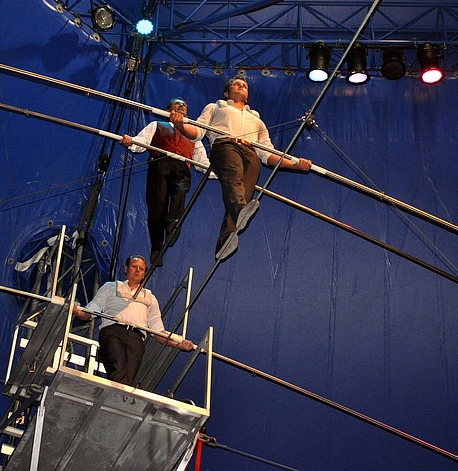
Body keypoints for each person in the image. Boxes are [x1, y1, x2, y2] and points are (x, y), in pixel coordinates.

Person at [170, 76, 312, 258]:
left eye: (244, 85)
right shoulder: (216, 107)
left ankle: (226, 238)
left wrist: (294, 164)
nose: (241, 86)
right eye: (236, 84)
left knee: (244, 192)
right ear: (226, 93)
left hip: (251, 153)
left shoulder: (257, 120)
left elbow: (267, 153)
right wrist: (181, 126)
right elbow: (198, 131)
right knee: (234, 177)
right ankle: (239, 209)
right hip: (225, 145)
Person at [72, 255, 195, 386]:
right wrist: (77, 311)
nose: (137, 270)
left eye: (141, 269)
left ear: (144, 274)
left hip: (136, 339)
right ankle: (121, 396)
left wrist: (178, 344)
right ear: (126, 268)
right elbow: (91, 311)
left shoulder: (150, 298)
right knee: (118, 370)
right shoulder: (110, 287)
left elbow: (158, 331)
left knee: (127, 380)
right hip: (113, 333)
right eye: (134, 267)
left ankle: (119, 396)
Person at [121, 98, 211, 267]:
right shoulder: (157, 125)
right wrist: (130, 141)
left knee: (181, 191)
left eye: (184, 105)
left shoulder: (193, 135)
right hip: (160, 163)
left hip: (182, 166)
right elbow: (142, 141)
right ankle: (157, 246)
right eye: (177, 103)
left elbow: (203, 162)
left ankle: (173, 223)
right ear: (168, 110)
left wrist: (219, 173)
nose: (182, 105)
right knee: (157, 205)